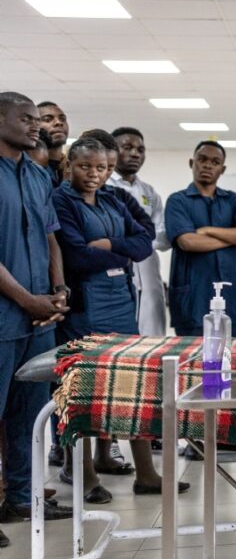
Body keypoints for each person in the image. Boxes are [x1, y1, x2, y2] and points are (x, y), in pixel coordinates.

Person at [54, 138, 188, 499]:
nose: (94, 174)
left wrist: (111, 246)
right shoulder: (61, 201)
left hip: (120, 302)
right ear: (70, 166)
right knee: (83, 391)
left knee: (132, 385)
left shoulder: (114, 199)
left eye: (101, 168)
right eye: (85, 167)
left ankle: (146, 473)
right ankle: (84, 476)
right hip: (84, 306)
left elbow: (144, 242)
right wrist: (122, 249)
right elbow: (77, 256)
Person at [0, 92, 73, 528]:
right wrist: (27, 299)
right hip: (7, 314)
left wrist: (58, 290)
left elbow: (50, 238)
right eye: (25, 119)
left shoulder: (38, 176)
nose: (36, 126)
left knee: (30, 413)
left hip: (40, 317)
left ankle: (23, 499)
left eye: (36, 120)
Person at [165, 141, 236, 338]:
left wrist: (208, 230)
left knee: (227, 357)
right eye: (202, 160)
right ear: (192, 163)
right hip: (192, 298)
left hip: (230, 297)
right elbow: (188, 242)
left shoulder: (234, 201)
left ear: (222, 169)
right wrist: (234, 237)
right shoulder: (178, 201)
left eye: (215, 162)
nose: (208, 165)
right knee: (192, 360)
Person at [108, 127, 170, 337]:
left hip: (148, 268)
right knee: (119, 335)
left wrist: (138, 242)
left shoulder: (149, 192)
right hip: (115, 268)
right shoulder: (102, 186)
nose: (135, 153)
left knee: (152, 331)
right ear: (112, 150)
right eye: (128, 147)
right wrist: (138, 239)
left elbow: (163, 235)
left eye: (140, 149)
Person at [37, 101, 69, 187]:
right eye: (47, 119)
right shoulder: (28, 168)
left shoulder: (72, 168)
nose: (59, 122)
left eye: (63, 119)